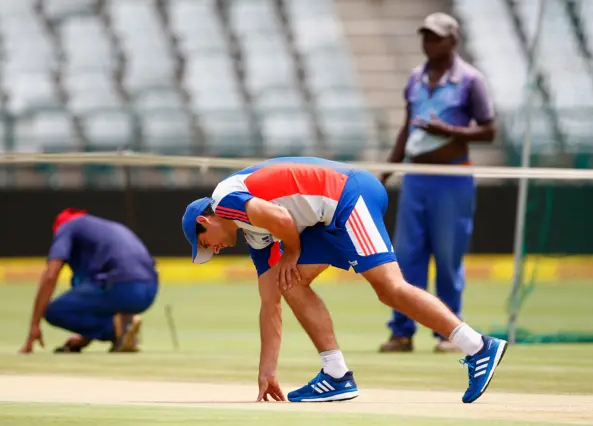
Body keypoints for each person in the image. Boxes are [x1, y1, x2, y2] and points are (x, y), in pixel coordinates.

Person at [182, 157, 507, 404]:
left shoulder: (225, 200)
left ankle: (477, 346)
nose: (215, 250)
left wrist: (292, 252)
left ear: (204, 220)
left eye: (206, 243)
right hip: (330, 211)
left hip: (350, 193)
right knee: (288, 282)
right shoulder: (254, 233)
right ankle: (336, 374)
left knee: (389, 288)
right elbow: (270, 305)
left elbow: (282, 219)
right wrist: (267, 372)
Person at [379, 12, 497, 353]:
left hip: (452, 178)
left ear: (453, 40)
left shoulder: (471, 80)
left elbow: (489, 130)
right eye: (426, 37)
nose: (429, 43)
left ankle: (449, 332)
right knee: (406, 257)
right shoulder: (416, 78)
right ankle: (401, 332)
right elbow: (406, 128)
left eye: (437, 37)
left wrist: (449, 131)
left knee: (448, 257)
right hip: (416, 178)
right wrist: (385, 173)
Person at [19, 208, 159, 354]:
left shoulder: (66, 228)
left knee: (54, 311)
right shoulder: (108, 228)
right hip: (149, 291)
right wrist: (86, 337)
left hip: (121, 286)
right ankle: (125, 331)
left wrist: (34, 325)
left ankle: (117, 330)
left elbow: (50, 275)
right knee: (91, 290)